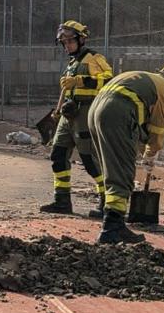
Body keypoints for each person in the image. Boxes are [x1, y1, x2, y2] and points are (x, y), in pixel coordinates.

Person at [89, 60, 164, 244]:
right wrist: (151, 154)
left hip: (96, 111)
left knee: (112, 167)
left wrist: (140, 149)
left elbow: (138, 121)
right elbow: (158, 131)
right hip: (116, 113)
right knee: (122, 172)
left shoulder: (144, 77)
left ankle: (115, 222)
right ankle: (111, 228)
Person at [40, 21, 114, 217]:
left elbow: (109, 79)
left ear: (81, 39)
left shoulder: (94, 58)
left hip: (85, 113)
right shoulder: (72, 63)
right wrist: (57, 112)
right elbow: (67, 89)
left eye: (70, 41)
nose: (67, 46)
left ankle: (106, 202)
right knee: (58, 155)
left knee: (90, 160)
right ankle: (62, 200)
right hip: (68, 113)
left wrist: (82, 80)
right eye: (63, 43)